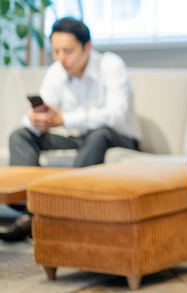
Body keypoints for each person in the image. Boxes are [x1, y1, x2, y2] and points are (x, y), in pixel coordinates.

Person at [0, 17, 141, 241]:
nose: (61, 58)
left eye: (68, 51)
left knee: (98, 134)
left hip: (118, 138)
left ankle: (70, 208)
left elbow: (115, 115)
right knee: (20, 135)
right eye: (56, 51)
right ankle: (32, 210)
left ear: (87, 46)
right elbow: (40, 114)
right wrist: (37, 119)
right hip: (78, 139)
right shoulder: (57, 71)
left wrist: (64, 119)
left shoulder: (110, 65)